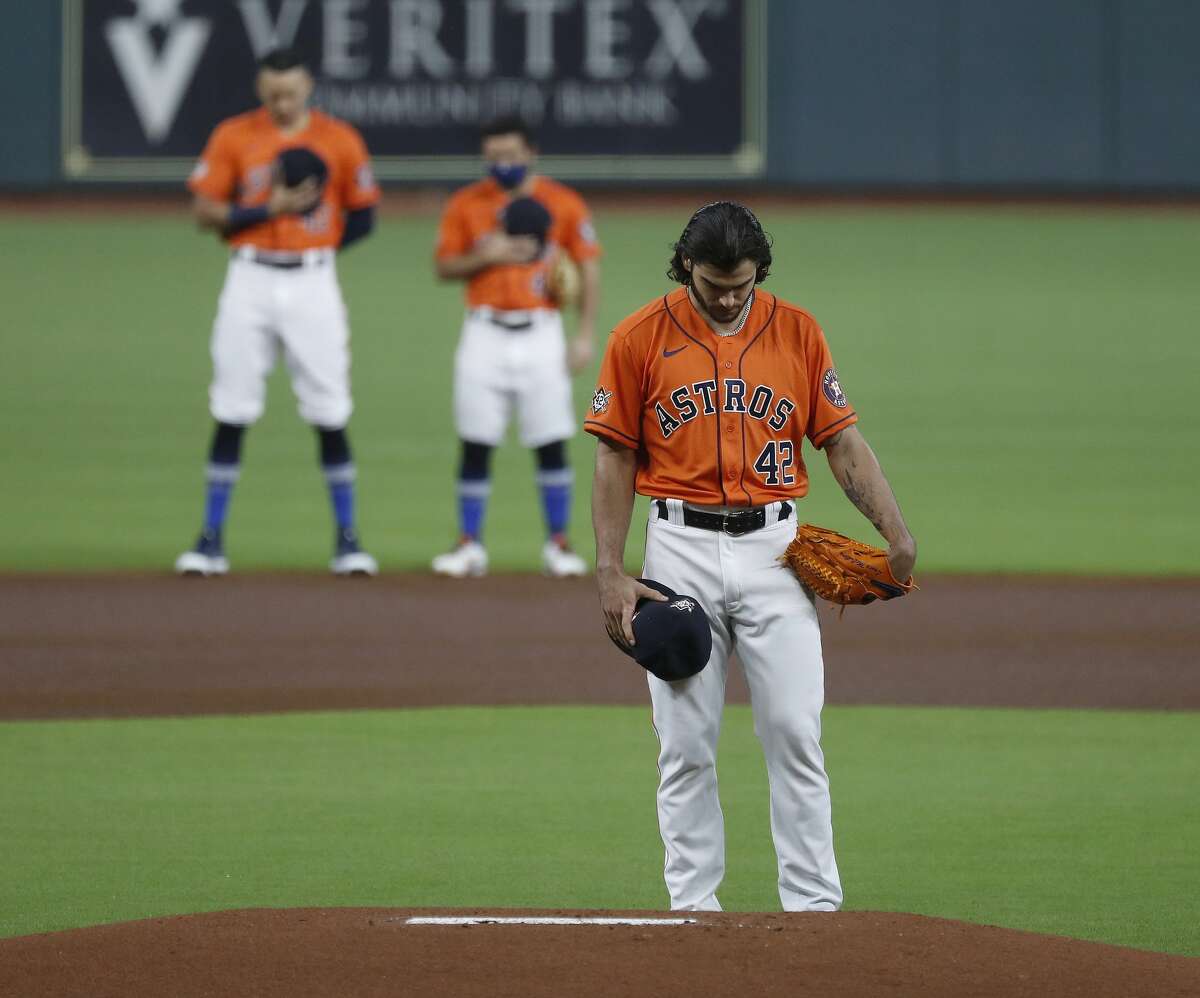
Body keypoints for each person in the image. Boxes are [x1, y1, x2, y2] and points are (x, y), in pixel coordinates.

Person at [586, 201, 917, 911]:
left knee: (797, 732)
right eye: (714, 285)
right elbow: (614, 456)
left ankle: (813, 908)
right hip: (678, 552)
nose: (730, 298)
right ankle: (693, 907)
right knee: (684, 746)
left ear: (758, 270)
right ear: (685, 268)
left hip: (777, 549)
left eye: (742, 284)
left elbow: (841, 442)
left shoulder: (797, 331)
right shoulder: (638, 337)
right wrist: (611, 570)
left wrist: (896, 530)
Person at [174, 48, 380, 577]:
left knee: (330, 409)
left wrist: (320, 247)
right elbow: (204, 210)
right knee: (232, 405)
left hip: (314, 280)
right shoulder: (234, 135)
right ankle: (210, 539)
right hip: (249, 278)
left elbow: (364, 214)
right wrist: (272, 211)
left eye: (290, 92)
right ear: (260, 89)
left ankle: (348, 539)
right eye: (272, 94)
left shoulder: (339, 139)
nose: (281, 102)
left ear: (308, 85)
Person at [431, 116, 602, 578]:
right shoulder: (467, 204)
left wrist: (583, 335)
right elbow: (443, 266)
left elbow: (587, 269)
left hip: (542, 332)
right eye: (493, 157)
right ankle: (469, 544)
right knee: (476, 440)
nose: (501, 164)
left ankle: (558, 544)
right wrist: (482, 257)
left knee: (550, 440)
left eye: (509, 155)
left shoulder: (562, 204)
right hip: (482, 332)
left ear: (530, 153)